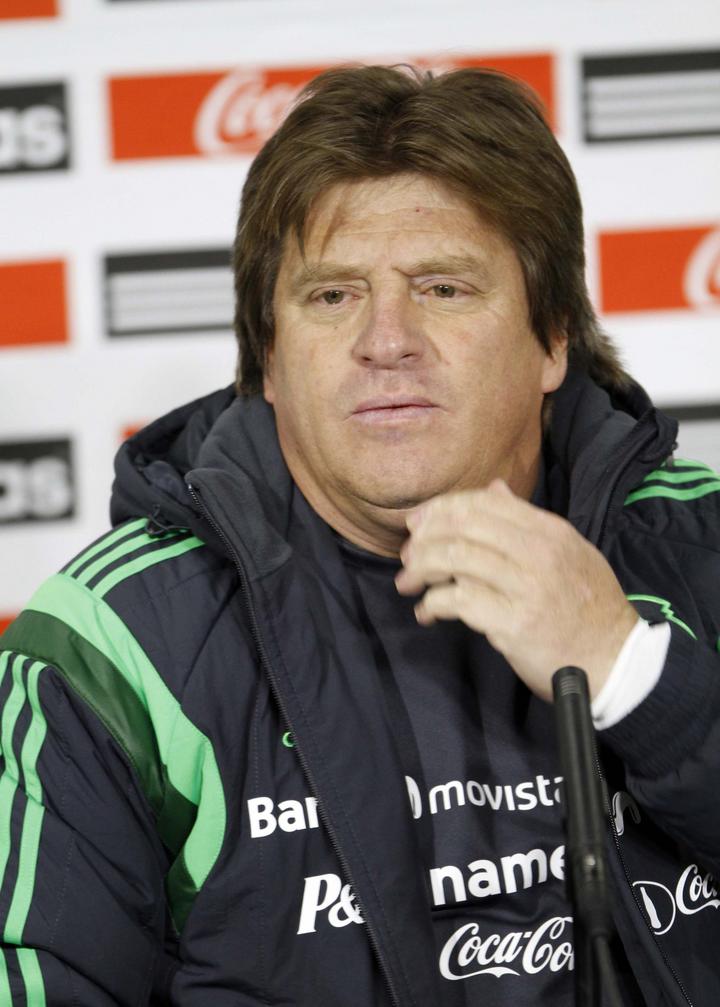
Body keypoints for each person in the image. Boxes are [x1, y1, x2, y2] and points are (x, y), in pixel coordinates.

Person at [1, 64, 719, 1007]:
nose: (387, 339)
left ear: (554, 337)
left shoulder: (701, 546)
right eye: (333, 296)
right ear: (267, 354)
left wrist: (636, 678)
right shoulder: (115, 645)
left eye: (444, 288)